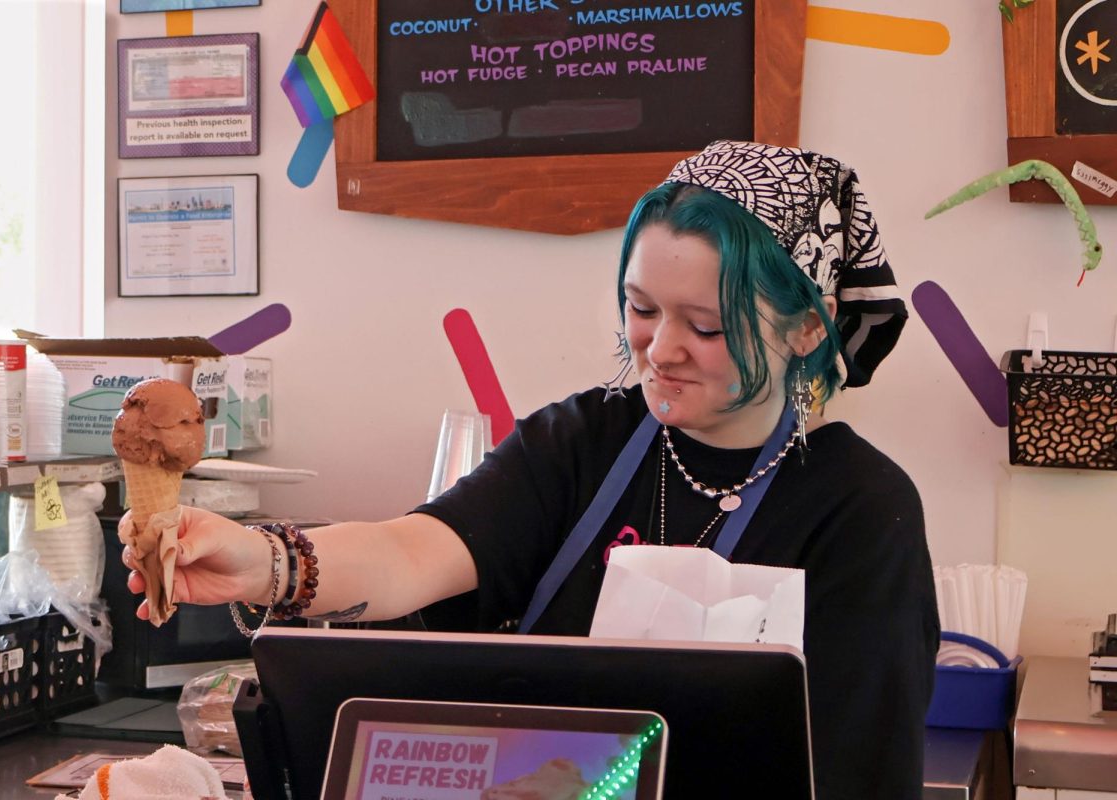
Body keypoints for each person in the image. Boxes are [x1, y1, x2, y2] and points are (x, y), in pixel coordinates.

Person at [123, 140, 939, 799]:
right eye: (643, 309)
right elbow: (413, 551)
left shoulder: (862, 511)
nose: (660, 349)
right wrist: (257, 560)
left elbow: (850, 770)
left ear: (808, 329)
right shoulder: (585, 442)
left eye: (707, 325)